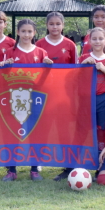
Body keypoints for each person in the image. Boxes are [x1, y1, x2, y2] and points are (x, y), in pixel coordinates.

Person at [0, 19, 54, 181]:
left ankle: (35, 168)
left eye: (30, 32)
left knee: (35, 132)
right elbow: (3, 76)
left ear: (34, 33)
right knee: (13, 132)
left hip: (36, 97)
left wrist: (49, 67)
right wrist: (2, 66)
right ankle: (12, 169)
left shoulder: (41, 52)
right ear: (18, 32)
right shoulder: (10, 52)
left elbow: (47, 78)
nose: (26, 35)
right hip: (15, 97)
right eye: (23, 31)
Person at [35, 12, 78, 181]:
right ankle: (37, 160)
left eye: (57, 24)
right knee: (42, 125)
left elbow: (76, 71)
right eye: (51, 24)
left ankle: (68, 164)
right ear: (46, 25)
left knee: (64, 128)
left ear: (63, 25)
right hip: (44, 92)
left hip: (64, 93)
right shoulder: (39, 44)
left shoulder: (70, 45)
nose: (54, 27)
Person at [78, 27, 105, 179]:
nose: (97, 41)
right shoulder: (83, 58)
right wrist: (84, 67)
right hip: (87, 99)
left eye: (100, 39)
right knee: (87, 131)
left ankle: (100, 164)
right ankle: (84, 163)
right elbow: (76, 82)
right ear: (89, 41)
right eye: (94, 39)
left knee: (102, 131)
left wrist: (104, 70)